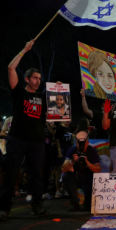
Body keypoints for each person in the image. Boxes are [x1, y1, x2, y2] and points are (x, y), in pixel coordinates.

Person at [1, 40, 47, 220]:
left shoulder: (43, 98)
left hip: (36, 142)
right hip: (17, 140)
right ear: (27, 79)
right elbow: (11, 68)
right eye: (34, 77)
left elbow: (59, 108)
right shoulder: (20, 92)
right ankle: (4, 208)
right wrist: (25, 49)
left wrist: (59, 90)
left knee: (37, 175)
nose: (38, 80)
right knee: (11, 173)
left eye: (39, 78)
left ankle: (37, 206)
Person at [61, 130, 101, 211]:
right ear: (76, 142)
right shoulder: (72, 150)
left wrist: (88, 163)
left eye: (83, 142)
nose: (81, 145)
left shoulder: (92, 151)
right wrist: (73, 161)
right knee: (66, 176)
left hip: (88, 178)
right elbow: (63, 168)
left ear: (87, 142)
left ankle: (88, 203)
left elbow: (98, 169)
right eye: (79, 142)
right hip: (76, 176)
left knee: (95, 178)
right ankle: (75, 203)